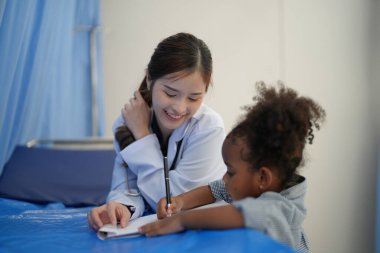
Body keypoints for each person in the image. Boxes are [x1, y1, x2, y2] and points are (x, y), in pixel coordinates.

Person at [139, 82, 326, 253]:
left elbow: (244, 213)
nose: (224, 178)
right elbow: (214, 190)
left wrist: (181, 220)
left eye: (230, 172)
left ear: (262, 178)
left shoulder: (281, 209)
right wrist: (180, 201)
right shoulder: (257, 188)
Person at [87, 33, 226, 230]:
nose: (179, 107)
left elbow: (172, 203)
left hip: (203, 233)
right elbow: (127, 186)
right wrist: (122, 206)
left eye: (194, 98)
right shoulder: (128, 120)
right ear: (150, 79)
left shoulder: (209, 128)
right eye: (170, 93)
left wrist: (143, 136)